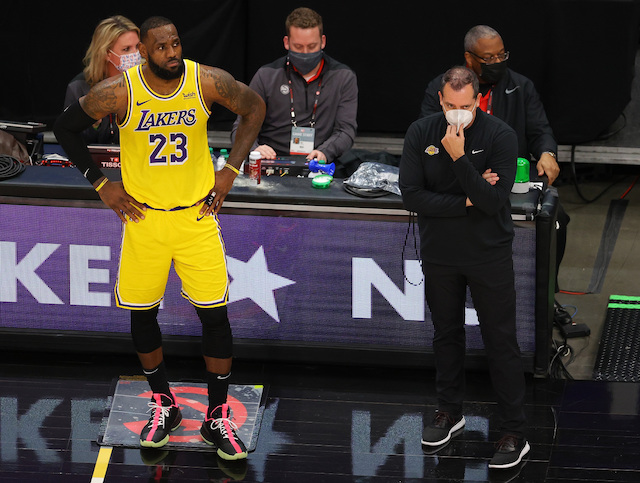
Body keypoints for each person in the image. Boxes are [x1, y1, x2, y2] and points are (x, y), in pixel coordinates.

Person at [54, 16, 265, 460]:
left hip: (195, 218)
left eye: (176, 44)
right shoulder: (120, 91)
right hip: (144, 221)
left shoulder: (205, 80)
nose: (172, 52)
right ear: (145, 52)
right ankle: (163, 404)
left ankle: (216, 416)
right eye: (162, 47)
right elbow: (65, 128)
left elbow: (255, 107)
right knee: (143, 314)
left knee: (215, 317)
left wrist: (229, 172)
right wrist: (101, 183)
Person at [400, 66, 530, 470]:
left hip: (488, 254)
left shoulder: (500, 136)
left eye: (467, 106)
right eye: (451, 106)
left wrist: (457, 160)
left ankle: (514, 432)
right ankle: (449, 411)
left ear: (478, 101)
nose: (459, 113)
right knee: (446, 334)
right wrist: (469, 197)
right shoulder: (420, 133)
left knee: (500, 341)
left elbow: (493, 204)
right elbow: (412, 195)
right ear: (441, 101)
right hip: (440, 254)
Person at [420, 25, 573, 327]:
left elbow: (540, 130)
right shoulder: (444, 89)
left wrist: (547, 153)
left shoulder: (521, 86)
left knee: (558, 220)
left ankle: (545, 296)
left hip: (508, 177)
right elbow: (427, 134)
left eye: (501, 55)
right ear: (469, 59)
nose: (497, 62)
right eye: (488, 58)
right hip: (458, 177)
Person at [231, 6, 357, 163]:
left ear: (323, 42)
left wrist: (325, 152)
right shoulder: (266, 75)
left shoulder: (343, 77)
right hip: (271, 161)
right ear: (286, 43)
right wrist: (255, 148)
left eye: (312, 46)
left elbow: (346, 130)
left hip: (318, 163)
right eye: (298, 47)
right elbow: (240, 127)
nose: (305, 53)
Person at [64, 15, 143, 144]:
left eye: (137, 47)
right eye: (126, 49)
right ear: (106, 53)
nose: (135, 54)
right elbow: (71, 139)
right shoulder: (79, 87)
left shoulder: (149, 83)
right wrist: (94, 125)